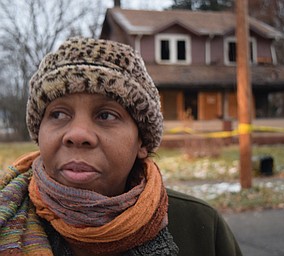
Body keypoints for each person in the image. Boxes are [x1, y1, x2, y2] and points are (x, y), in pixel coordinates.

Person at [0, 37, 242, 256]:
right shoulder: (6, 216)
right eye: (58, 114)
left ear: (142, 142)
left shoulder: (200, 229)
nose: (77, 135)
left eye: (106, 115)